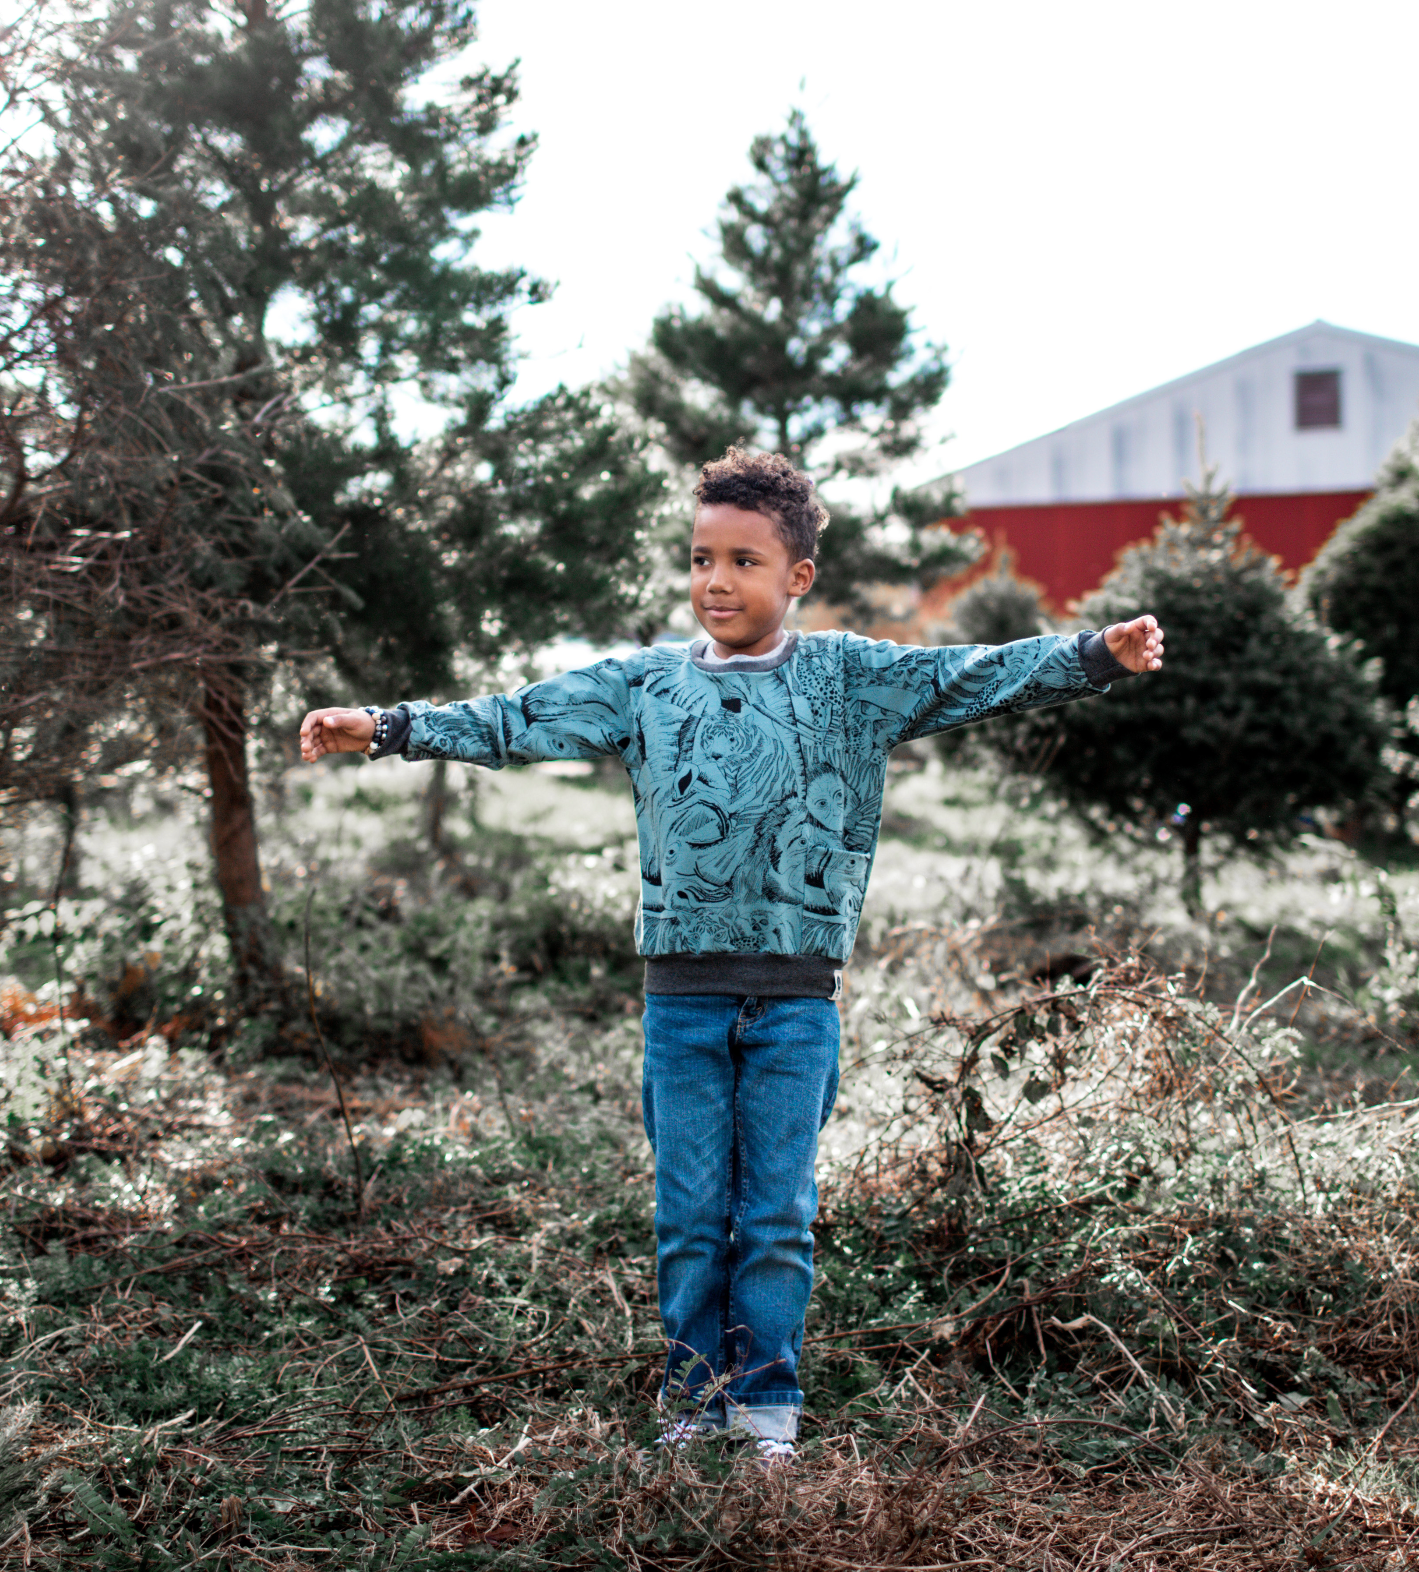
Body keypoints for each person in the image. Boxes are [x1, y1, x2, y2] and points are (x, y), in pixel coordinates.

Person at [299, 446, 1164, 1464]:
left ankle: (765, 1411)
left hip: (796, 1002)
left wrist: (1095, 655)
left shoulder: (851, 677)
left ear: (797, 577)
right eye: (703, 557)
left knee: (776, 1220)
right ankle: (690, 1401)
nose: (717, 580)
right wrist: (391, 726)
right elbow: (515, 718)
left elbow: (971, 676)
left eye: (745, 561)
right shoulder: (644, 686)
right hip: (685, 1003)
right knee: (689, 1217)